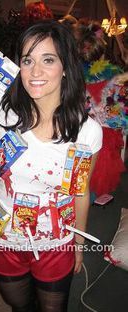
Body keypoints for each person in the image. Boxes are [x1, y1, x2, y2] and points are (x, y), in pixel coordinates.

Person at [0, 20, 102, 312]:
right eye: (28, 60)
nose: (35, 72)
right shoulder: (4, 113)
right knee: (21, 307)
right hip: (2, 236)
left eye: (48, 60)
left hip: (56, 243)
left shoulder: (87, 132)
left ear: (65, 67)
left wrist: (78, 244)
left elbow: (81, 192)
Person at [76, 20, 127, 198]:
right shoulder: (113, 74)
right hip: (104, 134)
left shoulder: (72, 75)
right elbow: (120, 110)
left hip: (78, 131)